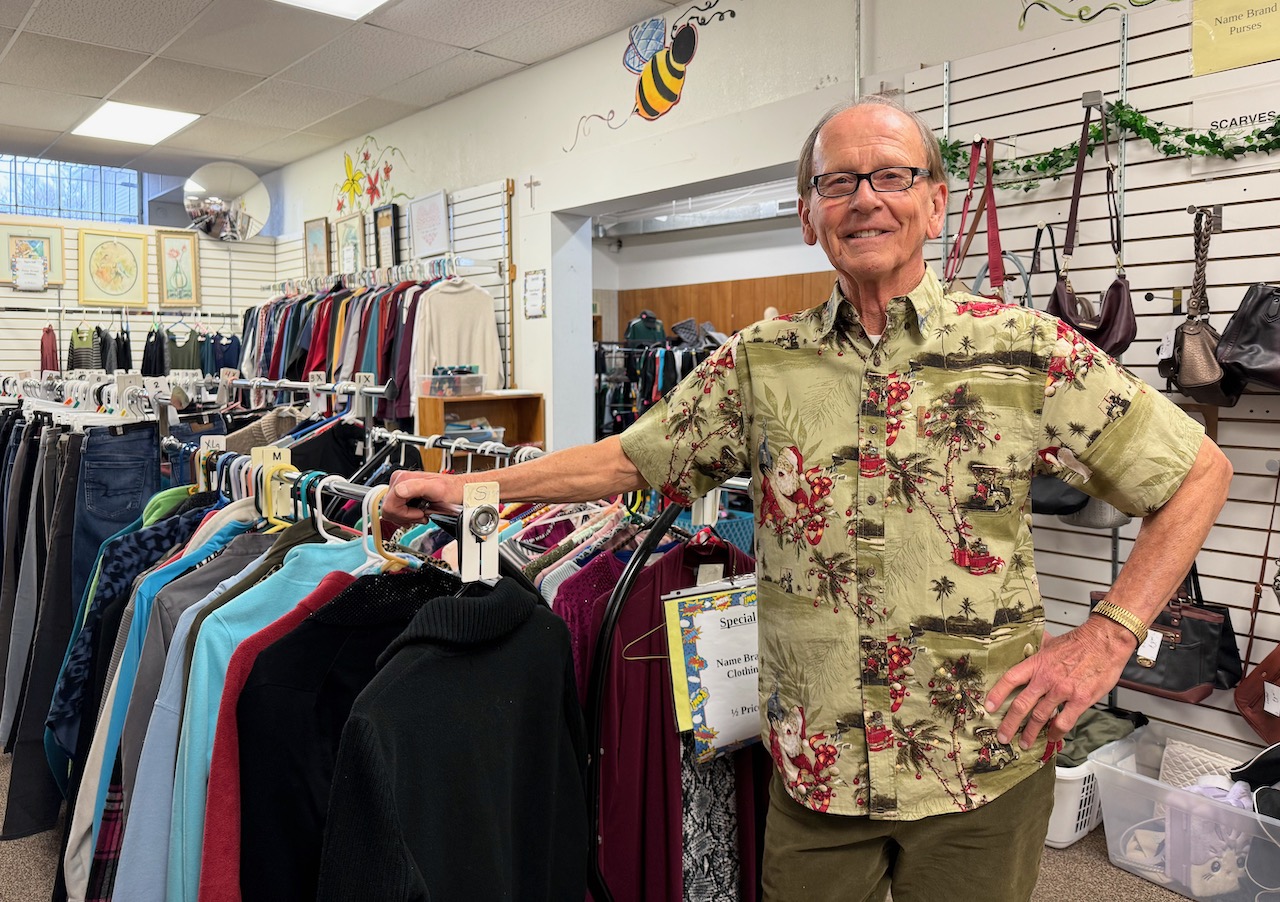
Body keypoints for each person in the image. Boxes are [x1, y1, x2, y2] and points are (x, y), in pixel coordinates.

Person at [385, 95, 1232, 901]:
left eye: (892, 176)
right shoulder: (761, 361)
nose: (865, 200)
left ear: (935, 205)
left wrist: (1109, 637)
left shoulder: (1021, 348)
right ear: (808, 214)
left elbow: (1198, 474)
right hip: (817, 772)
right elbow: (631, 462)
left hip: (981, 760)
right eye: (838, 182)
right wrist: (469, 485)